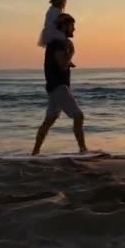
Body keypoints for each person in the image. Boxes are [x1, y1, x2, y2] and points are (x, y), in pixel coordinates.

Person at [32, 13, 88, 155]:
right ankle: (83, 150)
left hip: (54, 87)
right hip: (59, 87)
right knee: (78, 116)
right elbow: (62, 65)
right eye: (72, 26)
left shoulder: (56, 43)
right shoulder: (57, 44)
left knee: (49, 120)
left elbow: (60, 64)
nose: (74, 29)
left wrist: (68, 59)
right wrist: (72, 52)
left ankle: (35, 152)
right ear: (64, 26)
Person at [38, 0, 76, 67]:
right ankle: (67, 60)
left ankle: (67, 59)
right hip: (53, 30)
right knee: (64, 41)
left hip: (53, 29)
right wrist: (64, 18)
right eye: (63, 1)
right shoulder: (54, 10)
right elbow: (55, 21)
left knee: (64, 42)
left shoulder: (55, 10)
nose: (64, 3)